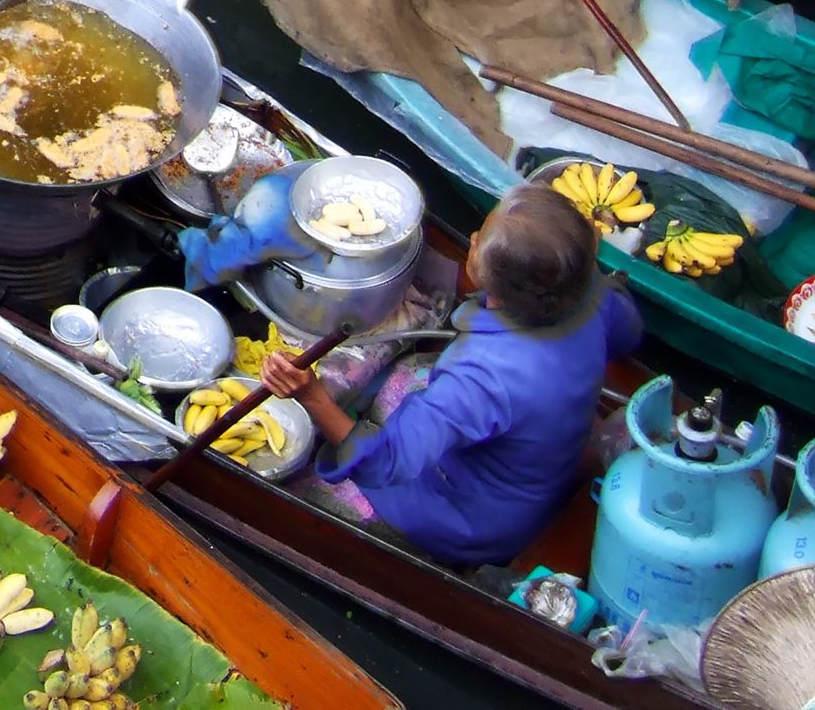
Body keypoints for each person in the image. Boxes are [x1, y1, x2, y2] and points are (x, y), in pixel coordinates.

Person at [261, 184, 642, 566]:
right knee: (409, 378)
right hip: (546, 469)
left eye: (480, 241)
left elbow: (382, 462)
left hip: (478, 521)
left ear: (500, 286)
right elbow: (628, 334)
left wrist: (312, 396)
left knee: (302, 498)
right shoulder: (592, 292)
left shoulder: (481, 376)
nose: (473, 239)